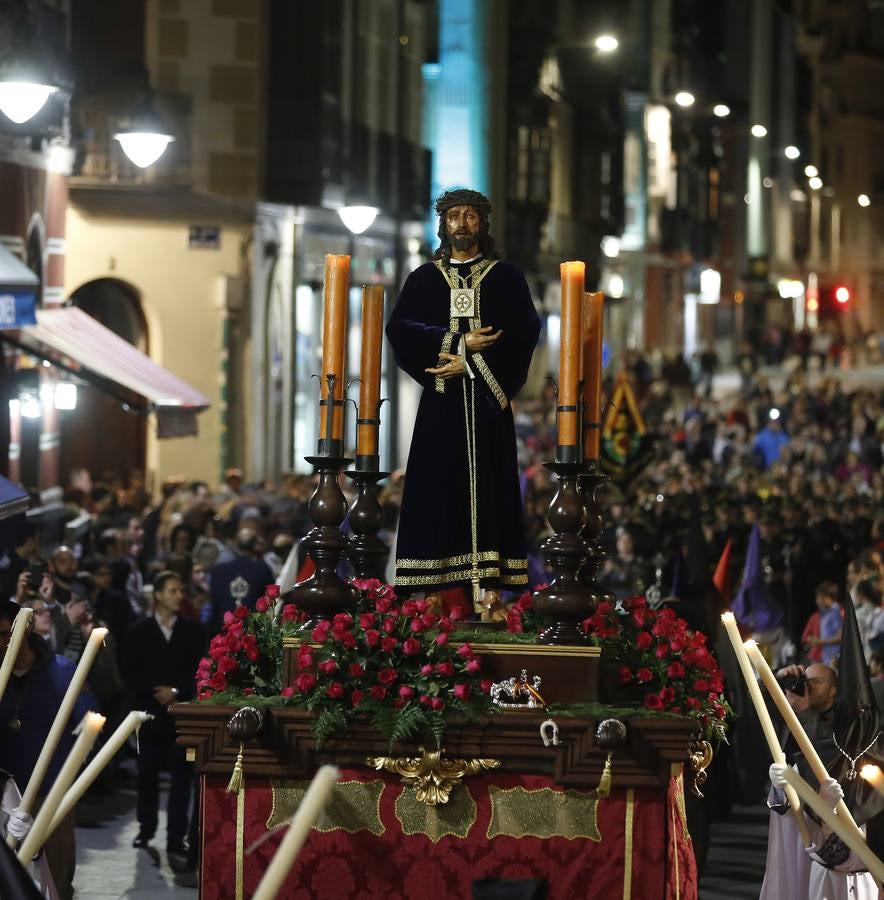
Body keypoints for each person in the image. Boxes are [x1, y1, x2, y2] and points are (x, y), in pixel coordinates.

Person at [385, 188, 540, 613]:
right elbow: (401, 330)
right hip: (441, 408)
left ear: (483, 224)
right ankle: (433, 593)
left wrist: (469, 365)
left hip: (488, 408)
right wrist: (454, 344)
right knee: (438, 486)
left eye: (471, 216)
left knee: (489, 487)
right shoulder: (423, 279)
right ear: (444, 224)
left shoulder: (506, 279)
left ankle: (489, 591)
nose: (463, 224)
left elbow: (523, 332)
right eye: (455, 216)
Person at [0, 598, 94, 899]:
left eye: (5, 635)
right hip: (2, 792)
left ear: (24, 630)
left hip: (49, 792)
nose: (1, 644)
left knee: (57, 877)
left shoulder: (62, 671)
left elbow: (88, 725)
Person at [123, 571, 205, 865]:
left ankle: (175, 837)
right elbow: (130, 670)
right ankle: (146, 829)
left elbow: (199, 668)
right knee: (147, 777)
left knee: (181, 780)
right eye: (172, 590)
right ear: (157, 595)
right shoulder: (139, 631)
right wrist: (152, 690)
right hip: (149, 717)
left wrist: (176, 690)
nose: (178, 595)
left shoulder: (194, 632)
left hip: (180, 718)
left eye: (180, 590)